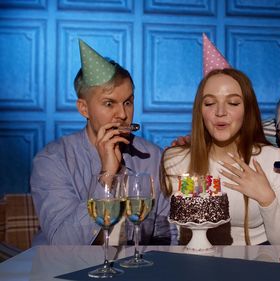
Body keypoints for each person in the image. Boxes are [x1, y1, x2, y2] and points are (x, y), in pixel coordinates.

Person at [30, 40, 176, 245]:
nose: (123, 114)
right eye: (109, 104)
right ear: (84, 108)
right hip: (64, 271)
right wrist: (107, 175)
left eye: (128, 102)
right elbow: (62, 242)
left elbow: (165, 232)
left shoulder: (153, 157)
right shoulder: (52, 160)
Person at [162, 68, 280, 245]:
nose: (220, 112)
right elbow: (176, 234)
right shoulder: (175, 160)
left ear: (248, 109)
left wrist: (266, 198)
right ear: (200, 110)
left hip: (258, 265)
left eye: (233, 103)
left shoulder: (273, 159)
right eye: (209, 103)